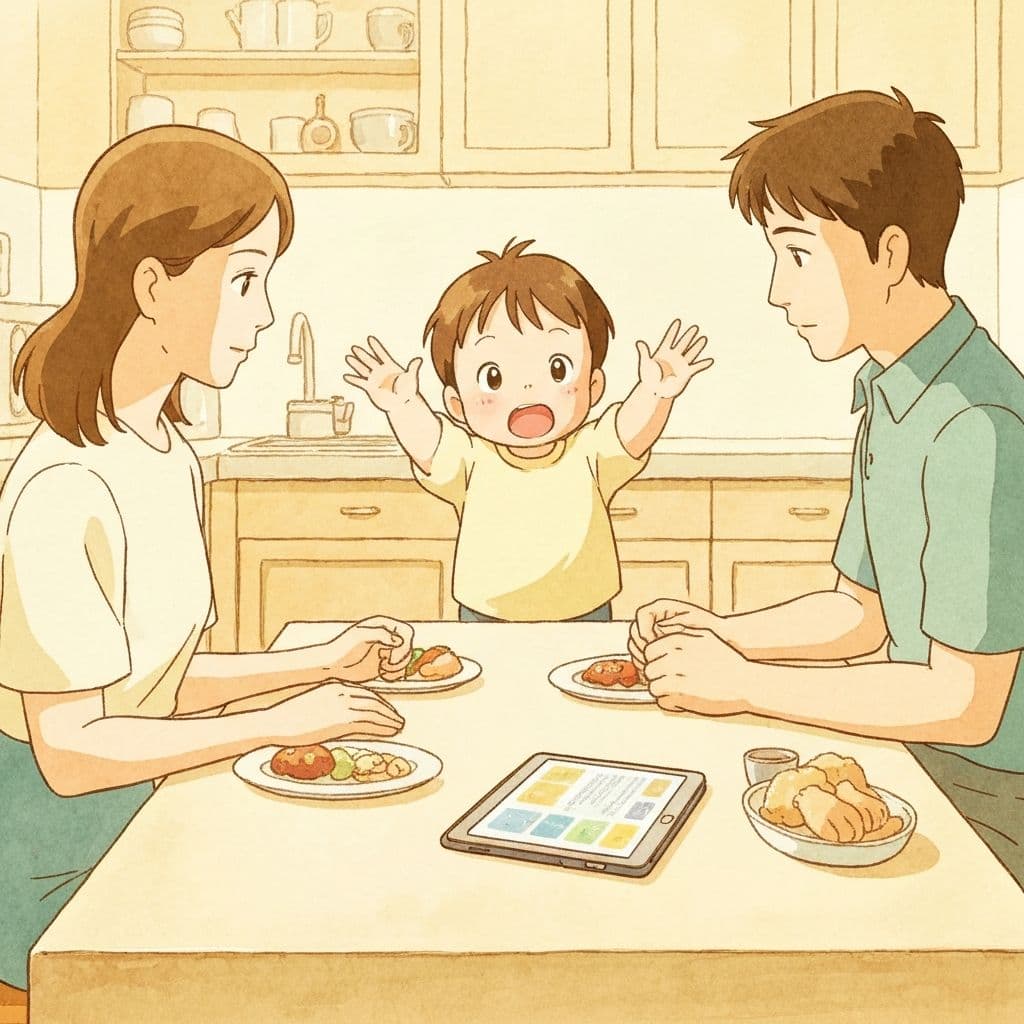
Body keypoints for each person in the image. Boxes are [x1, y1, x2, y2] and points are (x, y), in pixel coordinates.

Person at [0, 126, 412, 991]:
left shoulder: (163, 454)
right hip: (50, 870)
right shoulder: (63, 489)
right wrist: (281, 719)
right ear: (154, 284)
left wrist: (316, 662)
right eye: (247, 279)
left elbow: (151, 684)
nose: (263, 315)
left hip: (142, 803)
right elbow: (71, 753)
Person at [629, 88, 1024, 888]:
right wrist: (725, 630)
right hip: (920, 767)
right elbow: (859, 612)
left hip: (991, 811)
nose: (779, 290)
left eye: (798, 252)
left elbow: (964, 703)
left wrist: (743, 683)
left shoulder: (977, 424)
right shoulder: (894, 391)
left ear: (887, 253)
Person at [343, 239, 713, 622]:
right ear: (456, 405)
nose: (527, 391)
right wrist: (403, 405)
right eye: (494, 376)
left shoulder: (589, 450)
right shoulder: (472, 458)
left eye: (557, 369)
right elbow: (429, 445)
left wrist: (655, 393)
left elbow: (629, 433)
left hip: (584, 612)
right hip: (486, 615)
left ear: (594, 386)